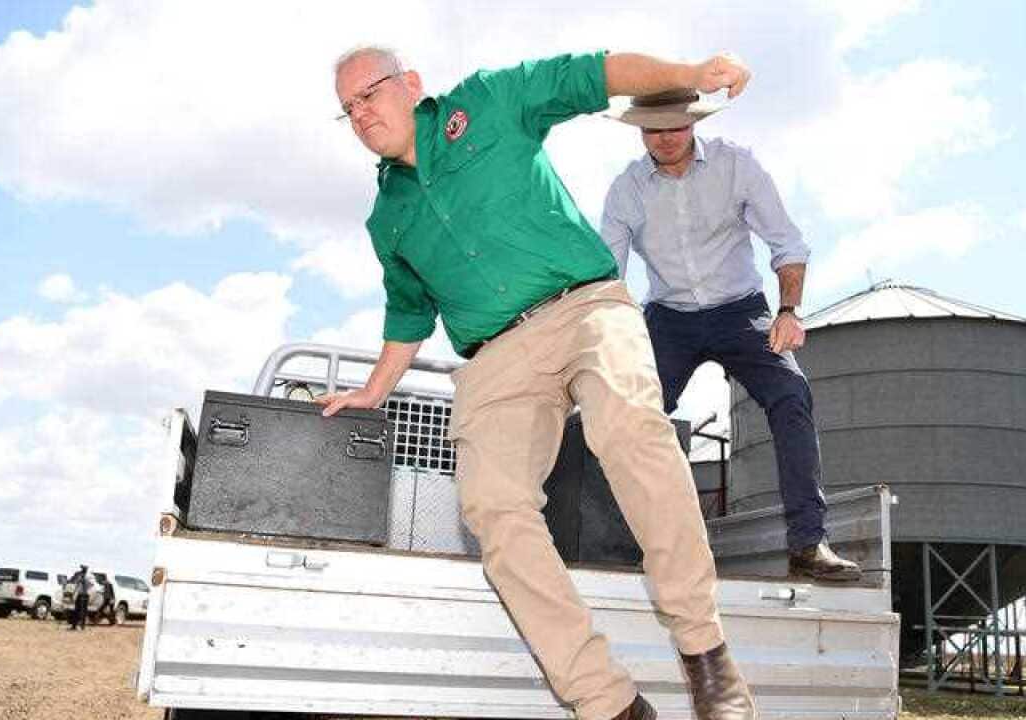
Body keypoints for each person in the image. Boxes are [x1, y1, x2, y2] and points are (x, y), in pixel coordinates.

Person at [321, 47, 756, 720]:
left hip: (585, 307)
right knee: (493, 508)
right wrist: (374, 389)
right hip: (496, 357)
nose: (360, 115)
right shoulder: (388, 218)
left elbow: (595, 74)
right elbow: (409, 311)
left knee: (629, 428)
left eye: (369, 95)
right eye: (347, 110)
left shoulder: (489, 102)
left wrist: (689, 75)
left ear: (411, 84)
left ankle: (705, 653)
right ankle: (607, 701)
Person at [599, 90, 860, 581]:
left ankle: (808, 543)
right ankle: (644, 548)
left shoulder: (737, 166)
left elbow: (787, 242)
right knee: (632, 415)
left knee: (791, 394)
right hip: (668, 318)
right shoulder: (626, 190)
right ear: (640, 132)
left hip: (743, 312)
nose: (667, 138)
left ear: (693, 123)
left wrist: (788, 311)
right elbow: (609, 275)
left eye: (677, 126)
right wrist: (616, 339)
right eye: (655, 130)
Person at [68, 565, 93, 630]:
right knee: (76, 610)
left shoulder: (89, 576)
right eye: (81, 569)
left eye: (83, 569)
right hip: (79, 594)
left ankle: (82, 626)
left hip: (85, 595)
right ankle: (74, 626)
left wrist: (84, 580)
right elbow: (75, 583)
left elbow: (91, 585)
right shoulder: (79, 575)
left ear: (86, 569)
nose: (82, 570)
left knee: (83, 612)